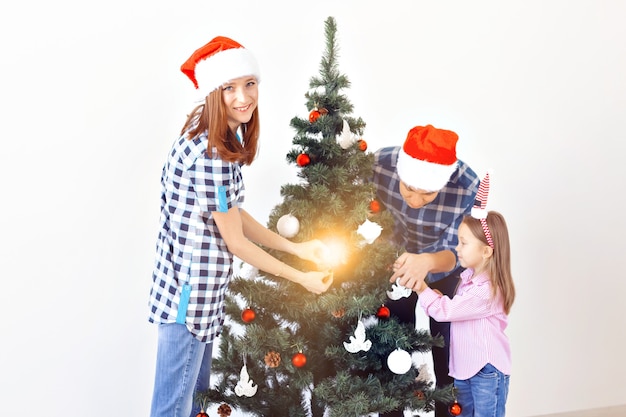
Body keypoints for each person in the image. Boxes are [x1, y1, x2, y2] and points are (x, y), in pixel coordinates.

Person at [147, 36, 334, 417]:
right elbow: (235, 240)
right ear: (214, 91)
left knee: (194, 404)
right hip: (189, 298)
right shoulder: (212, 152)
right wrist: (301, 278)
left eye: (249, 84)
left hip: (198, 294)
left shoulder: (215, 135)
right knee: (172, 409)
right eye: (229, 87)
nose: (242, 97)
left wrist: (297, 249)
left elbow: (232, 214)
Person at [372, 124, 480, 417]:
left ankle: (449, 411)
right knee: (390, 345)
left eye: (428, 194)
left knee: (447, 349)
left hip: (443, 264)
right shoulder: (379, 164)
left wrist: (428, 262)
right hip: (390, 264)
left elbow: (463, 250)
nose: (416, 201)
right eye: (409, 189)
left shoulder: (469, 185)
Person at [413, 171, 515, 417]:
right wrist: (435, 294)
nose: (456, 248)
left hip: (486, 371)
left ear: (486, 252)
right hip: (464, 370)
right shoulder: (467, 280)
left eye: (463, 243)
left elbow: (446, 311)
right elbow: (455, 306)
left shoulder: (487, 290)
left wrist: (421, 287)